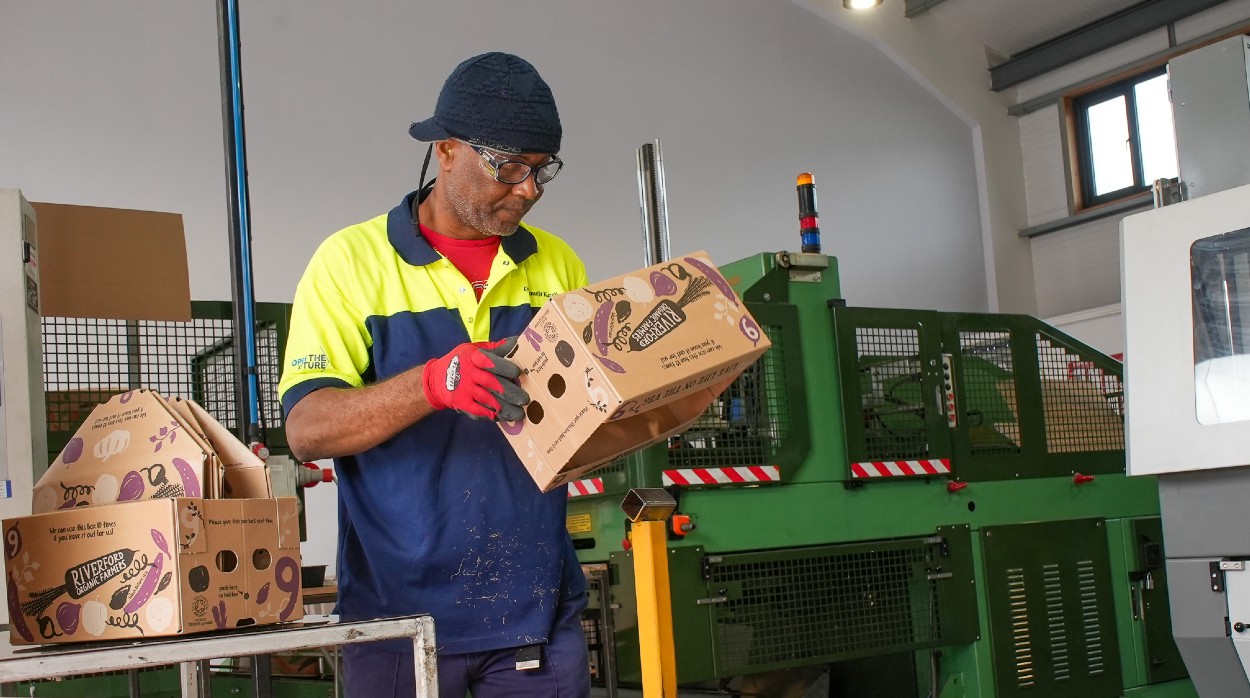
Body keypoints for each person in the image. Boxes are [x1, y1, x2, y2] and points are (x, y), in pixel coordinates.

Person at [278, 52, 591, 698]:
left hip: (534, 617)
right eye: (508, 167)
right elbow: (307, 429)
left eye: (541, 170)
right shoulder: (350, 265)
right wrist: (430, 384)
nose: (528, 189)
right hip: (398, 628)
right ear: (446, 150)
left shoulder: (557, 266)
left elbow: (584, 428)